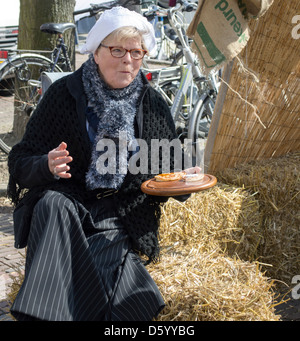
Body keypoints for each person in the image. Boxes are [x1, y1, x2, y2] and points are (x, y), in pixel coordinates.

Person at [7, 6, 188, 321]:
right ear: (96, 52)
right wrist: (46, 165)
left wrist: (185, 180)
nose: (128, 60)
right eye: (117, 50)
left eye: (136, 52)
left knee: (107, 275)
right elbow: (20, 161)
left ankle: (42, 314)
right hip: (70, 204)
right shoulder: (64, 95)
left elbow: (169, 170)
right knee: (50, 204)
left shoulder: (152, 104)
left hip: (118, 212)